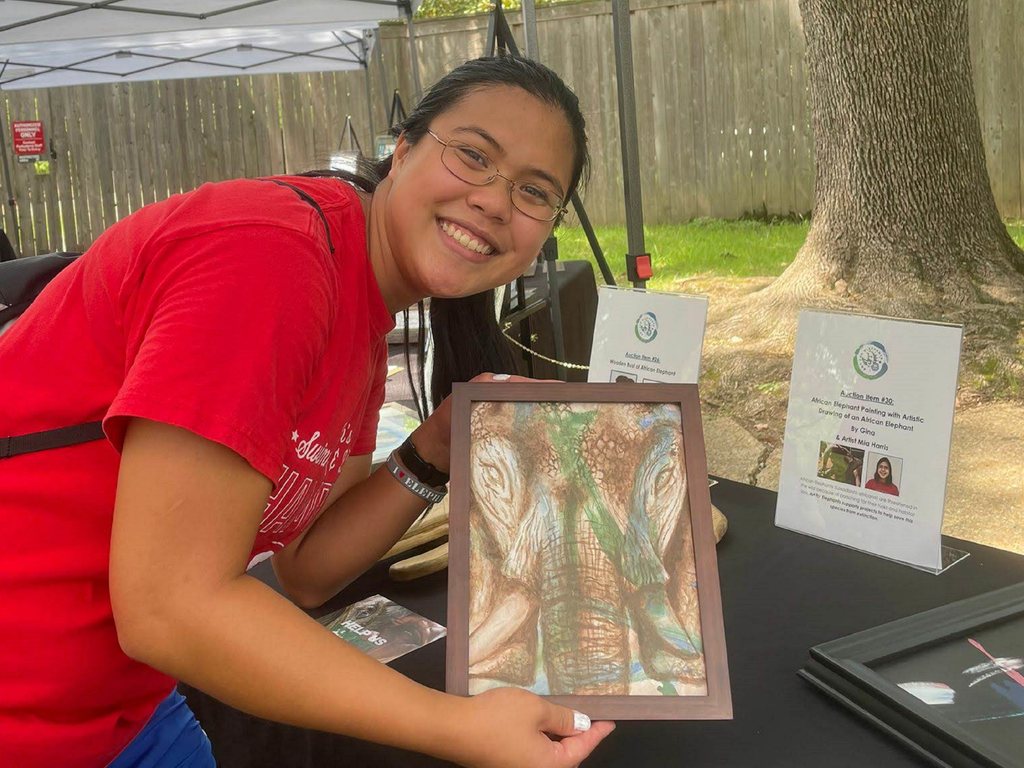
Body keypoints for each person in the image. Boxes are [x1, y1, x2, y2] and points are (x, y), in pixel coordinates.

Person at [0, 56, 615, 768]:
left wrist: (433, 450)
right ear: (404, 151)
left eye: (535, 192)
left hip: (122, 705)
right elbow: (172, 607)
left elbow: (309, 570)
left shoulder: (358, 311)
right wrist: (456, 726)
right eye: (474, 155)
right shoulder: (272, 257)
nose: (496, 200)